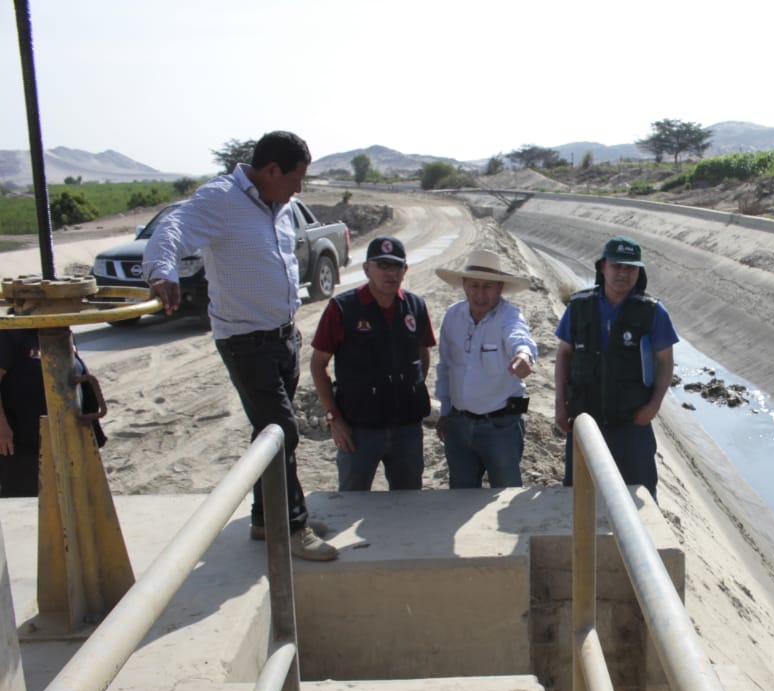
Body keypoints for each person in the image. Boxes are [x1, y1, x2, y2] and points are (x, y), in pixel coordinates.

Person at [143, 130, 337, 561]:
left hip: (283, 337)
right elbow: (173, 227)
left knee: (266, 434)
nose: (299, 190)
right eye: (296, 179)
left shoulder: (279, 206)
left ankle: (264, 520)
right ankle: (292, 528)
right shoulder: (221, 199)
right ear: (272, 171)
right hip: (245, 341)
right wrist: (161, 272)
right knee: (282, 432)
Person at [554, 235, 678, 500]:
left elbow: (665, 362)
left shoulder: (653, 311)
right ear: (602, 267)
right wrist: (560, 404)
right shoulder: (578, 306)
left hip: (632, 423)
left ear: (639, 272)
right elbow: (564, 354)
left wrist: (654, 405)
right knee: (580, 498)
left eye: (630, 267)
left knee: (640, 496)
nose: (623, 273)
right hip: (585, 422)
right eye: (616, 266)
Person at [310, 236, 435, 491]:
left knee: (409, 501)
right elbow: (318, 364)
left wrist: (412, 386)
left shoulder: (415, 306)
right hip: (359, 430)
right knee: (352, 500)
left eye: (396, 266)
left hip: (406, 428)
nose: (391, 273)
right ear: (367, 269)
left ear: (405, 270)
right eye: (382, 265)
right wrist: (334, 418)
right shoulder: (342, 308)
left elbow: (422, 352)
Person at [434, 248, 537, 488]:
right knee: (461, 493)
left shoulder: (509, 315)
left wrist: (523, 355)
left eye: (488, 286)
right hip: (459, 424)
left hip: (501, 426)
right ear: (464, 286)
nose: (480, 294)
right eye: (474, 285)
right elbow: (445, 367)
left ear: (500, 288)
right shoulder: (452, 316)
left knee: (505, 490)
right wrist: (445, 412)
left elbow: (519, 337)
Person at [0, 328, 106, 497]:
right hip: (24, 443)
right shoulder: (10, 334)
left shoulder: (60, 330)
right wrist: (2, 427)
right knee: (28, 499)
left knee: (71, 497)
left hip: (68, 436)